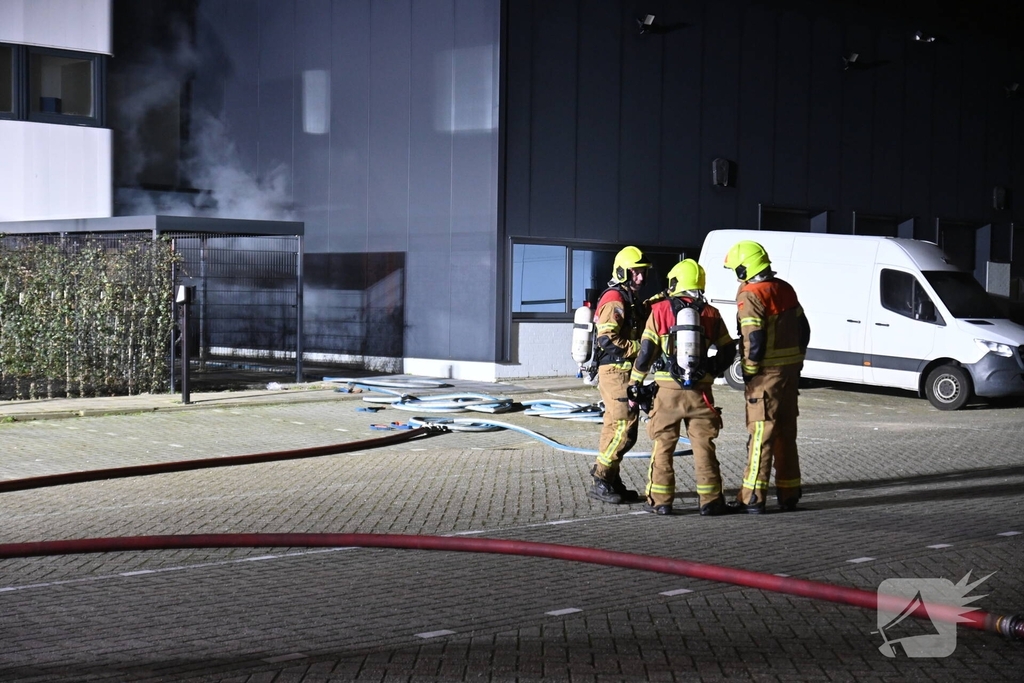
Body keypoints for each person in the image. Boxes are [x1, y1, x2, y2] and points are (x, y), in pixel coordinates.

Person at [628, 259, 738, 516]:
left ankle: (660, 501)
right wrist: (710, 370)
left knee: (663, 445)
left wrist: (635, 382)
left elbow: (645, 353)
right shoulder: (710, 312)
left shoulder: (661, 310)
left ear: (675, 282)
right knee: (704, 445)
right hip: (701, 393)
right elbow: (728, 349)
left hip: (667, 393)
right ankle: (711, 501)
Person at [723, 240, 811, 514]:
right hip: (790, 373)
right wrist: (795, 360)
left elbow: (755, 339)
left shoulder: (750, 294)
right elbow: (804, 328)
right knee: (786, 433)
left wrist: (749, 370)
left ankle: (752, 497)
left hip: (765, 377)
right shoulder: (784, 288)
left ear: (743, 268)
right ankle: (789, 493)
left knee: (761, 435)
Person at [588, 246, 650, 504]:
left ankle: (610, 479)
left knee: (614, 427)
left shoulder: (628, 298)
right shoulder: (615, 298)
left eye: (643, 272)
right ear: (624, 272)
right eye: (636, 272)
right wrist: (640, 349)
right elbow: (607, 338)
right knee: (624, 430)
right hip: (616, 372)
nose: (641, 278)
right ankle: (601, 479)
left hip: (623, 373)